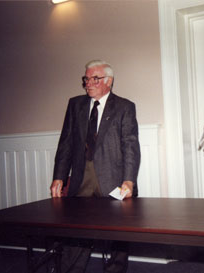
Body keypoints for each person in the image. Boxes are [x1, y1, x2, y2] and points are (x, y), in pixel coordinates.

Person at [50, 60, 141, 273]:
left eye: (95, 79)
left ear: (108, 81)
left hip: (114, 178)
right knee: (76, 231)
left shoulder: (125, 107)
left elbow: (130, 145)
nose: (89, 83)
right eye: (86, 79)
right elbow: (66, 143)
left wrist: (129, 180)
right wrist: (59, 177)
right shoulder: (75, 105)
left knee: (118, 235)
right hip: (82, 177)